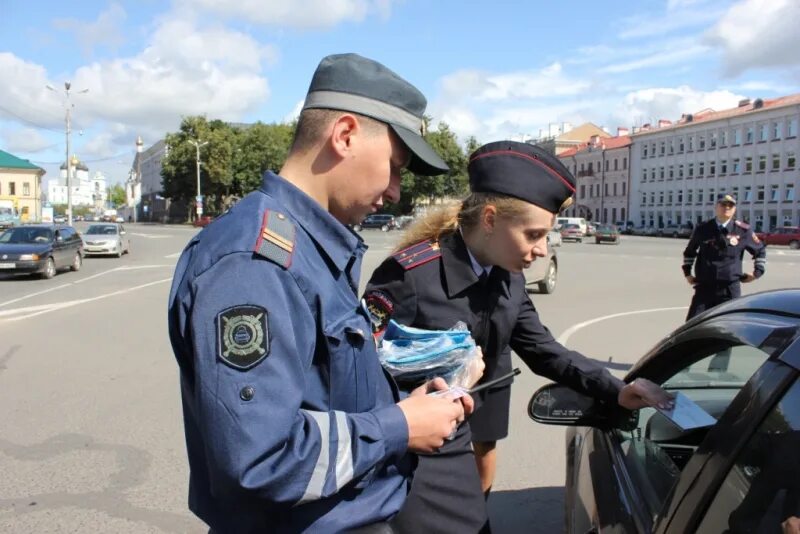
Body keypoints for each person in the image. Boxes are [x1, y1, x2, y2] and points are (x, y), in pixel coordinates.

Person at [166, 53, 476, 533]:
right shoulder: (256, 263)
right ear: (345, 134)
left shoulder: (304, 245)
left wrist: (411, 400)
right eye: (394, 166)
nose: (395, 191)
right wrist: (400, 427)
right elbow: (260, 458)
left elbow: (324, 390)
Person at [363, 140, 674, 532]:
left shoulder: (507, 275)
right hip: (414, 452)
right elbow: (356, 376)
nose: (542, 250)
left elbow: (543, 348)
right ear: (490, 220)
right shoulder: (409, 275)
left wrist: (615, 389)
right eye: (533, 235)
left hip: (471, 423)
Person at [683, 193, 766, 320]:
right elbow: (690, 252)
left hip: (729, 289)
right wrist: (687, 273)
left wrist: (756, 273)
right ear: (716, 207)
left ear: (735, 209)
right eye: (723, 204)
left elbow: (760, 251)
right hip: (705, 288)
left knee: (731, 325)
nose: (727, 207)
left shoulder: (743, 231)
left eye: (731, 205)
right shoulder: (703, 229)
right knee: (692, 324)